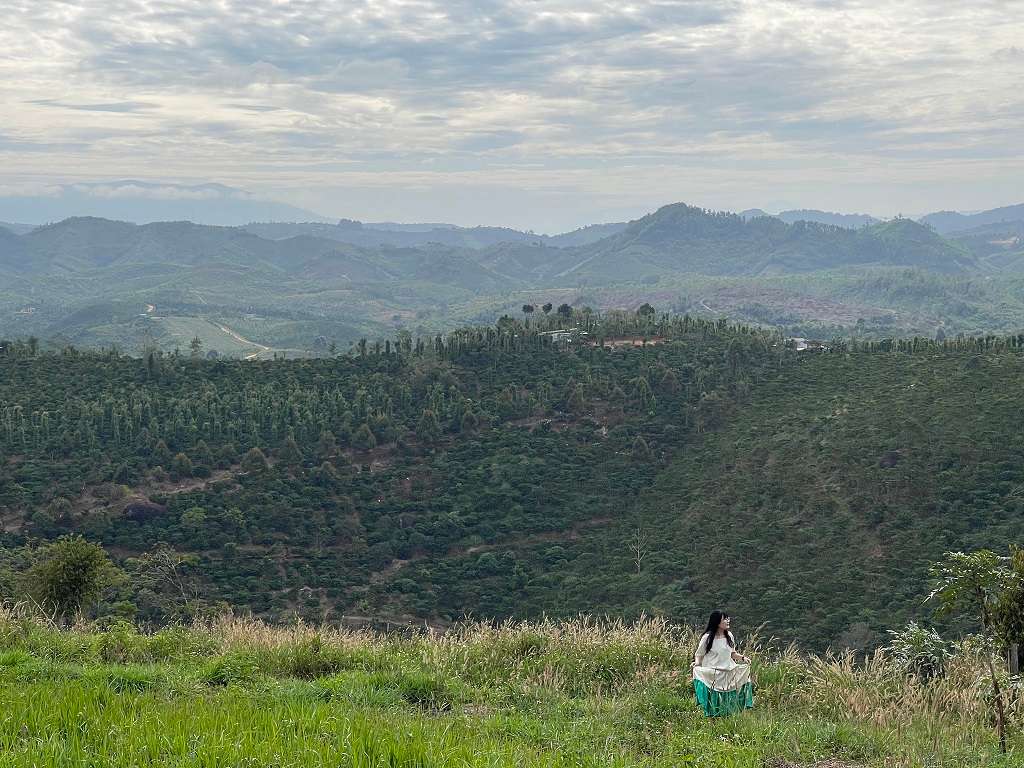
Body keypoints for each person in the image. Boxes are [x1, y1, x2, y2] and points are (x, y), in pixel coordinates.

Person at [691, 610, 754, 716]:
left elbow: (732, 654)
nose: (728, 621)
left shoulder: (729, 635)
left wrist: (743, 658)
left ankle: (727, 723)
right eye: (725, 619)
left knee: (729, 700)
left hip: (728, 673)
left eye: (727, 618)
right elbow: (699, 654)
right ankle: (713, 724)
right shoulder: (707, 637)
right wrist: (697, 663)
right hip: (713, 674)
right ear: (717, 622)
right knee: (713, 701)